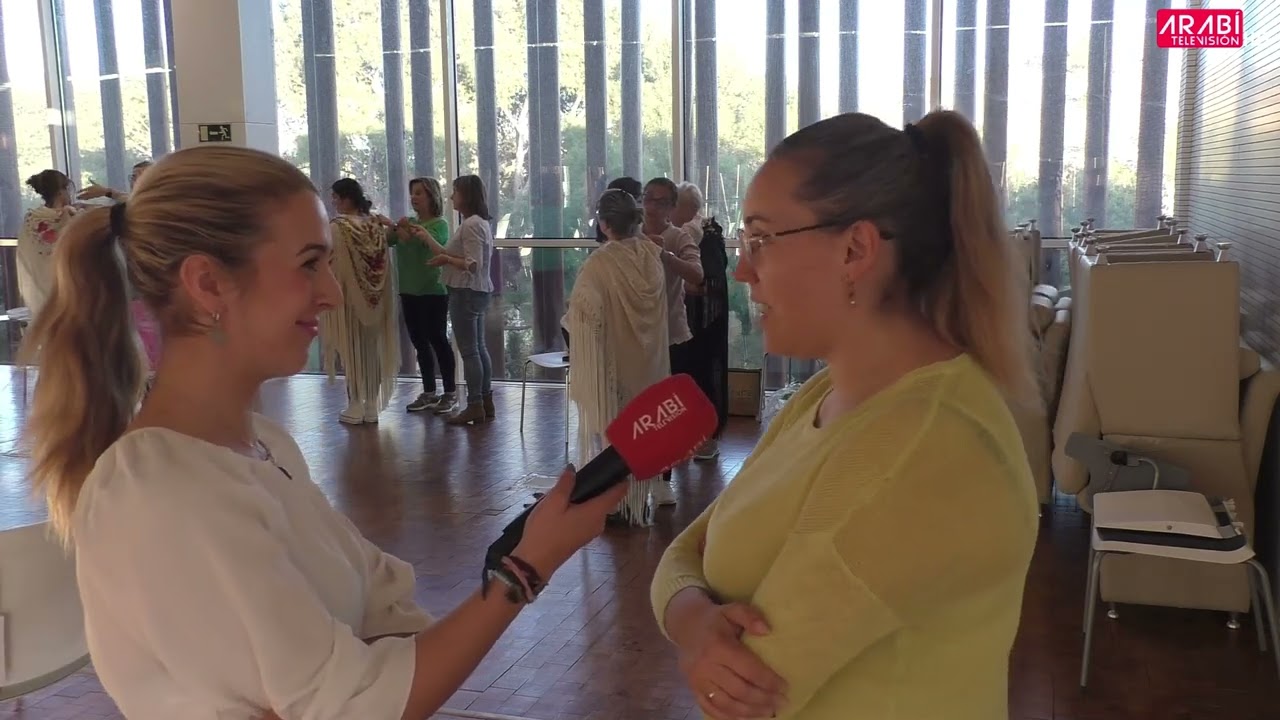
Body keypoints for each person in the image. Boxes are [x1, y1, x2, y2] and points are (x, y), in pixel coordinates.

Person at [21, 144, 626, 719]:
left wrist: (357, 669)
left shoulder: (264, 446)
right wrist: (526, 564)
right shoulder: (161, 488)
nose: (332, 293)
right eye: (309, 264)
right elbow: (356, 700)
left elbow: (384, 605)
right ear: (208, 284)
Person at [649, 110, 1040, 720]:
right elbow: (689, 547)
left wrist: (688, 614)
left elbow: (747, 695)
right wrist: (695, 619)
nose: (745, 270)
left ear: (856, 249)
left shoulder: (926, 452)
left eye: (760, 239)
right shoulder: (827, 394)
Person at [563, 189, 669, 527]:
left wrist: (571, 326)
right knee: (648, 427)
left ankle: (620, 502)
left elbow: (582, 313)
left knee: (616, 429)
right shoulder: (652, 254)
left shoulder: (599, 264)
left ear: (605, 224)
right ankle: (649, 491)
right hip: (650, 360)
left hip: (616, 361)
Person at [642, 177, 703, 506]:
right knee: (637, 408)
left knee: (665, 411)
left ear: (671, 206)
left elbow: (697, 274)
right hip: (636, 337)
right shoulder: (630, 234)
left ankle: (663, 478)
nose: (652, 206)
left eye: (661, 201)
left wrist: (662, 254)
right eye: (648, 198)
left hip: (671, 335)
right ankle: (635, 474)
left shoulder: (679, 236)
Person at [319, 178, 399, 425]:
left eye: (335, 197)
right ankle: (372, 405)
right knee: (370, 350)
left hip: (348, 298)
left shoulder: (337, 227)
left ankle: (355, 404)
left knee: (350, 349)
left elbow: (326, 259)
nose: (333, 202)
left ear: (346, 198)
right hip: (375, 299)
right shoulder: (374, 225)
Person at [426, 175, 496, 426]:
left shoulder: (471, 225)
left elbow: (472, 264)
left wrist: (446, 261)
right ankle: (485, 401)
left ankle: (475, 404)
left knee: (470, 351)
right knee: (478, 348)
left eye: (455, 191)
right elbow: (451, 253)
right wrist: (426, 238)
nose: (451, 196)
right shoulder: (478, 223)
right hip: (475, 292)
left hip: (466, 292)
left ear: (466, 195)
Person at [390, 177, 457, 414]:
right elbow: (389, 240)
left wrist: (417, 233)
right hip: (408, 290)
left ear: (431, 196)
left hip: (433, 291)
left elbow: (438, 246)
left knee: (438, 339)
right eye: (412, 193)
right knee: (419, 341)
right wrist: (391, 227)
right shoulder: (407, 222)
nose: (414, 197)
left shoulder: (440, 224)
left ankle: (450, 392)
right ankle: (429, 391)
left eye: (419, 193)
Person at [672, 182, 728, 461]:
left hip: (704, 321)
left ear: (689, 208)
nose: (669, 211)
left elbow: (711, 279)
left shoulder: (707, 232)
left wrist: (689, 283)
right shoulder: (674, 235)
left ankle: (706, 437)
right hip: (681, 321)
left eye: (674, 204)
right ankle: (682, 436)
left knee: (702, 378)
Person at [17, 170, 78, 318]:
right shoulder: (71, 218)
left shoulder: (31, 219)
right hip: (71, 294)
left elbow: (26, 255)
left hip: (38, 294)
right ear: (61, 191)